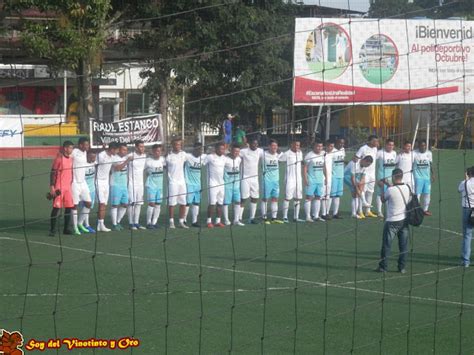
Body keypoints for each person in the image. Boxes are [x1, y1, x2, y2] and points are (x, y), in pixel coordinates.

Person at [377, 168, 411, 273]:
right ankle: (402, 267)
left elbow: (383, 199)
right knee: (403, 246)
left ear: (393, 177)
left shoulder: (390, 190)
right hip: (404, 220)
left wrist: (383, 187)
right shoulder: (407, 187)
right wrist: (388, 185)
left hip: (392, 221)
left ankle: (383, 267)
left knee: (387, 245)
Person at [48, 141, 75, 236]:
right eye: (70, 148)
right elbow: (52, 172)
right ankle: (52, 230)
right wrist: (52, 187)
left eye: (72, 148)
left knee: (69, 208)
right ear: (65, 148)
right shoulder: (59, 159)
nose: (71, 150)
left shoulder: (71, 159)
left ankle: (66, 229)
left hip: (68, 187)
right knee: (56, 208)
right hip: (59, 187)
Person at [70, 137, 92, 235]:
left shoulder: (85, 152)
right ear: (80, 145)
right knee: (74, 205)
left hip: (83, 182)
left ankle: (80, 223)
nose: (88, 146)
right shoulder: (74, 152)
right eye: (86, 145)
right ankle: (75, 228)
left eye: (88, 144)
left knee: (88, 203)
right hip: (74, 182)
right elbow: (65, 156)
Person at [354, 135, 379, 217]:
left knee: (370, 192)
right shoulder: (363, 148)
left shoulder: (375, 149)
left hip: (372, 173)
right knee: (362, 191)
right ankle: (360, 211)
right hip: (364, 173)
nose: (376, 143)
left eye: (377, 141)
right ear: (370, 141)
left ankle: (368, 211)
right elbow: (355, 158)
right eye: (375, 141)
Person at [96, 142, 119, 232]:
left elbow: (117, 167)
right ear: (112, 149)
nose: (117, 152)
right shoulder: (101, 155)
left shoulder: (113, 157)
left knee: (104, 204)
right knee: (101, 203)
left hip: (106, 182)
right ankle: (99, 224)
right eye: (116, 150)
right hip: (98, 181)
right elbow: (94, 163)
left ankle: (100, 224)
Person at [110, 143, 133, 231]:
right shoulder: (114, 158)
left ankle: (118, 221)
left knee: (125, 204)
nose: (125, 151)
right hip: (115, 185)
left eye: (126, 150)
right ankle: (114, 224)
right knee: (115, 205)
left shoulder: (125, 157)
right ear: (119, 150)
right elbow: (117, 168)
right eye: (123, 150)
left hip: (124, 185)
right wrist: (127, 161)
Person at [240, 139, 264, 224]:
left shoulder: (260, 151)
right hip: (245, 178)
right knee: (243, 198)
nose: (255, 145)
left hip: (255, 178)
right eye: (253, 143)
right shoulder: (243, 151)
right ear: (249, 144)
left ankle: (252, 218)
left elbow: (268, 154)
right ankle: (239, 218)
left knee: (255, 197)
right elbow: (234, 154)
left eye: (256, 143)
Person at [166, 138, 188, 229]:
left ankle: (181, 222)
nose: (178, 146)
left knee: (183, 202)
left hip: (182, 182)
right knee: (172, 203)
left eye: (179, 144)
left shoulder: (184, 154)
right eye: (176, 144)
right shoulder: (168, 156)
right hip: (172, 182)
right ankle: (171, 222)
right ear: (172, 145)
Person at [280, 140, 304, 223]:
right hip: (289, 179)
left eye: (298, 145)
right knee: (287, 198)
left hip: (298, 179)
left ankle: (296, 217)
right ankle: (285, 217)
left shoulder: (300, 153)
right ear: (291, 145)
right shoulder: (287, 153)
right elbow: (280, 160)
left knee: (297, 198)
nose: (297, 147)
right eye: (295, 145)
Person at [184, 143, 207, 227]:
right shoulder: (187, 156)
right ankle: (184, 220)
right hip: (189, 183)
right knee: (187, 202)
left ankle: (194, 221)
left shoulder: (203, 157)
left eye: (201, 149)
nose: (200, 151)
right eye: (198, 149)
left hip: (198, 184)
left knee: (196, 202)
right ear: (194, 149)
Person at [303, 140, 327, 222]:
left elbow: (324, 166)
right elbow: (305, 167)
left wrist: (326, 177)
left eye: (321, 146)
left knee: (318, 197)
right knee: (308, 197)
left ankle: (316, 216)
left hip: (320, 180)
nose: (319, 148)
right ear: (314, 146)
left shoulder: (322, 155)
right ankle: (308, 216)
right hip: (311, 180)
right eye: (318, 146)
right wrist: (305, 179)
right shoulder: (309, 155)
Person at [261, 139, 284, 224]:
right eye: (273, 146)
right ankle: (264, 218)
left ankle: (274, 218)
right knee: (265, 199)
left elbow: (284, 157)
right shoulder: (263, 154)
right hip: (266, 181)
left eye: (276, 146)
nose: (274, 147)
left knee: (275, 199)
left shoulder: (278, 155)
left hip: (276, 181)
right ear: (269, 146)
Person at [206, 142, 227, 228]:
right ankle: (209, 221)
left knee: (220, 203)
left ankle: (218, 221)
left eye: (223, 149)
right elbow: (201, 162)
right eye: (220, 149)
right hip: (212, 184)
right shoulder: (210, 157)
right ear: (216, 149)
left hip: (221, 184)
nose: (222, 150)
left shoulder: (224, 158)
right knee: (212, 204)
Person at [145, 144, 166, 229]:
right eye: (157, 151)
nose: (158, 153)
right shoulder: (148, 161)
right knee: (151, 204)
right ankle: (148, 223)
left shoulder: (162, 159)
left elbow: (165, 167)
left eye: (160, 151)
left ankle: (154, 222)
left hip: (160, 187)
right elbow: (143, 170)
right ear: (153, 152)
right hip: (151, 186)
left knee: (158, 204)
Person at [127, 140, 147, 230]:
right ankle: (131, 223)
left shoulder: (144, 156)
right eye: (140, 146)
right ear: (136, 147)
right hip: (131, 184)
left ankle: (136, 222)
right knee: (132, 203)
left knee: (139, 204)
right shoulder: (130, 156)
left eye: (143, 146)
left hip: (140, 184)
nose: (142, 148)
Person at [375, 139, 397, 218]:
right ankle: (379, 211)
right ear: (386, 145)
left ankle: (388, 211)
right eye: (389, 145)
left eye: (392, 145)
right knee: (380, 193)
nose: (391, 147)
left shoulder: (394, 153)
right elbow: (372, 160)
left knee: (390, 193)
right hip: (382, 176)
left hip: (391, 177)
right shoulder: (380, 153)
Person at [223, 144, 244, 226]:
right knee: (226, 203)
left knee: (238, 202)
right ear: (231, 150)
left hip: (236, 185)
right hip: (227, 185)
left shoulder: (239, 159)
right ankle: (226, 220)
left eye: (238, 151)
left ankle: (236, 220)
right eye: (235, 151)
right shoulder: (225, 159)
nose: (236, 153)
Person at [458, 166, 474, 268]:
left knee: (467, 235)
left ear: (468, 173)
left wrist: (465, 179)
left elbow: (459, 189)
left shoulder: (465, 183)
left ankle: (466, 261)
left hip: (467, 210)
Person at [414, 139, 434, 216]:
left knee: (427, 194)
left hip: (427, 178)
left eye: (424, 145)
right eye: (421, 145)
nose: (423, 147)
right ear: (418, 146)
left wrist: (433, 174)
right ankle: (417, 210)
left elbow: (430, 164)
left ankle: (425, 210)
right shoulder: (414, 153)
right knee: (417, 194)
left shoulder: (429, 153)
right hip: (418, 177)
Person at [78, 150, 97, 233]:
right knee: (83, 207)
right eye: (92, 157)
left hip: (92, 189)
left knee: (88, 208)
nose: (94, 159)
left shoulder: (94, 163)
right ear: (87, 157)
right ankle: (80, 225)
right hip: (83, 189)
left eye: (94, 157)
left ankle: (86, 225)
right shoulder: (82, 165)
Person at [330, 138, 346, 218]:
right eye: (340, 143)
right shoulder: (332, 151)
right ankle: (326, 213)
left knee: (338, 195)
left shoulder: (343, 150)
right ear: (336, 142)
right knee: (331, 195)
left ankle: (335, 213)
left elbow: (342, 160)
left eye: (343, 143)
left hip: (341, 175)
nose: (341, 145)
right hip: (333, 176)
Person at [322, 140, 335, 220]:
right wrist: (325, 177)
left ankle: (327, 212)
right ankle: (322, 213)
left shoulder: (332, 154)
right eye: (330, 146)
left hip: (330, 177)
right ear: (326, 146)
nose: (331, 148)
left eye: (332, 146)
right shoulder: (323, 154)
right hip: (323, 178)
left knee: (328, 196)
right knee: (322, 196)